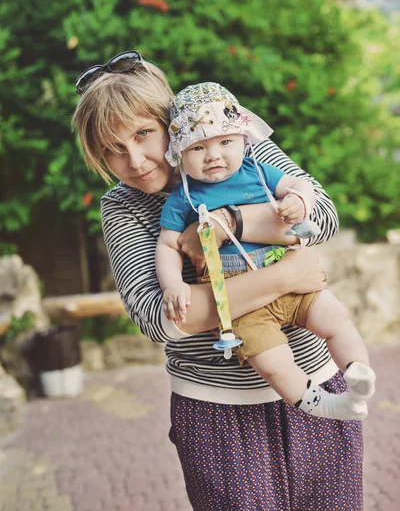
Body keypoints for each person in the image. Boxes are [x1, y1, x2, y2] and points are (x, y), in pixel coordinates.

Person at [72, 50, 365, 510]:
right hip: (217, 410)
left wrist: (231, 220)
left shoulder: (234, 137)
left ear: (170, 121)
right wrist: (286, 274)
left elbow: (321, 216)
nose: (136, 160)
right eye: (113, 149)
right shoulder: (123, 207)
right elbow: (161, 320)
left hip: (317, 381)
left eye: (144, 134)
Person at [156, 81, 375, 422]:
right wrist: (172, 284)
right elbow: (169, 243)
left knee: (336, 319)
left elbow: (301, 185)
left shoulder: (256, 170)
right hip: (240, 305)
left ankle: (358, 375)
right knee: (273, 363)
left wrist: (298, 201)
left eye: (225, 142)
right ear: (180, 155)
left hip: (290, 280)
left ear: (244, 140)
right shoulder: (184, 196)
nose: (214, 155)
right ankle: (325, 404)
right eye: (198, 147)